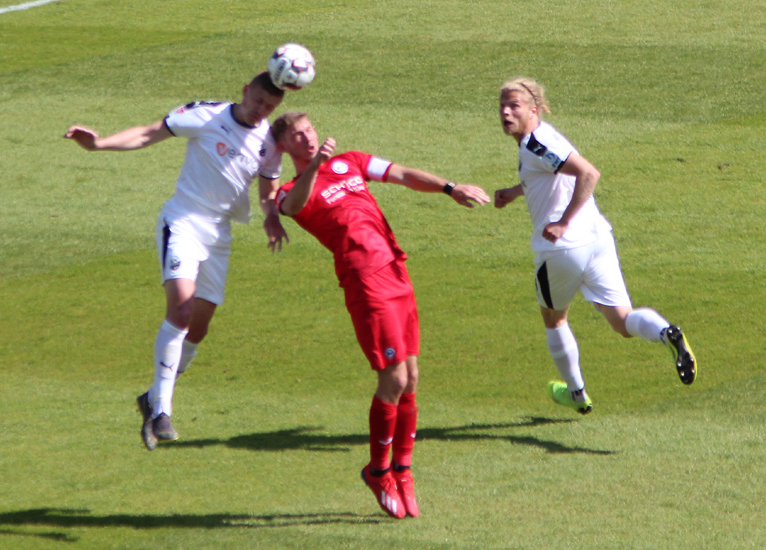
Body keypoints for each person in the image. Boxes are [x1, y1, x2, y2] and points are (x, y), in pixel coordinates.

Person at [271, 112, 490, 519]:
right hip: (365, 283)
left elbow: (402, 174)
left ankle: (403, 471)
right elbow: (293, 207)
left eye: (309, 129)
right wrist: (315, 166)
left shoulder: (351, 161)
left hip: (394, 268)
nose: (307, 136)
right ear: (284, 146)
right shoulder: (289, 190)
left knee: (412, 378)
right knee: (393, 378)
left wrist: (449, 187)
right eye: (296, 135)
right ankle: (378, 472)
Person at [64, 72, 289, 450]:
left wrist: (271, 215)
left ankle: (150, 396)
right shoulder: (205, 114)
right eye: (257, 101)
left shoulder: (268, 142)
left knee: (197, 330)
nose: (260, 111)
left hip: (219, 235)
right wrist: (98, 144)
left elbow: (268, 190)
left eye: (269, 107)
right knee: (181, 313)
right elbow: (149, 133)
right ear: (245, 91)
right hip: (183, 221)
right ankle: (161, 410)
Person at [493, 77, 697, 415]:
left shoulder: (535, 143)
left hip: (562, 249)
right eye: (501, 105)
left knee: (554, 319)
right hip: (598, 240)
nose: (505, 111)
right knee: (622, 321)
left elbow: (589, 173)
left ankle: (576, 393)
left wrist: (562, 222)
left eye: (513, 105)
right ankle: (667, 332)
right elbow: (551, 175)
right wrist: (515, 192)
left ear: (533, 108)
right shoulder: (541, 137)